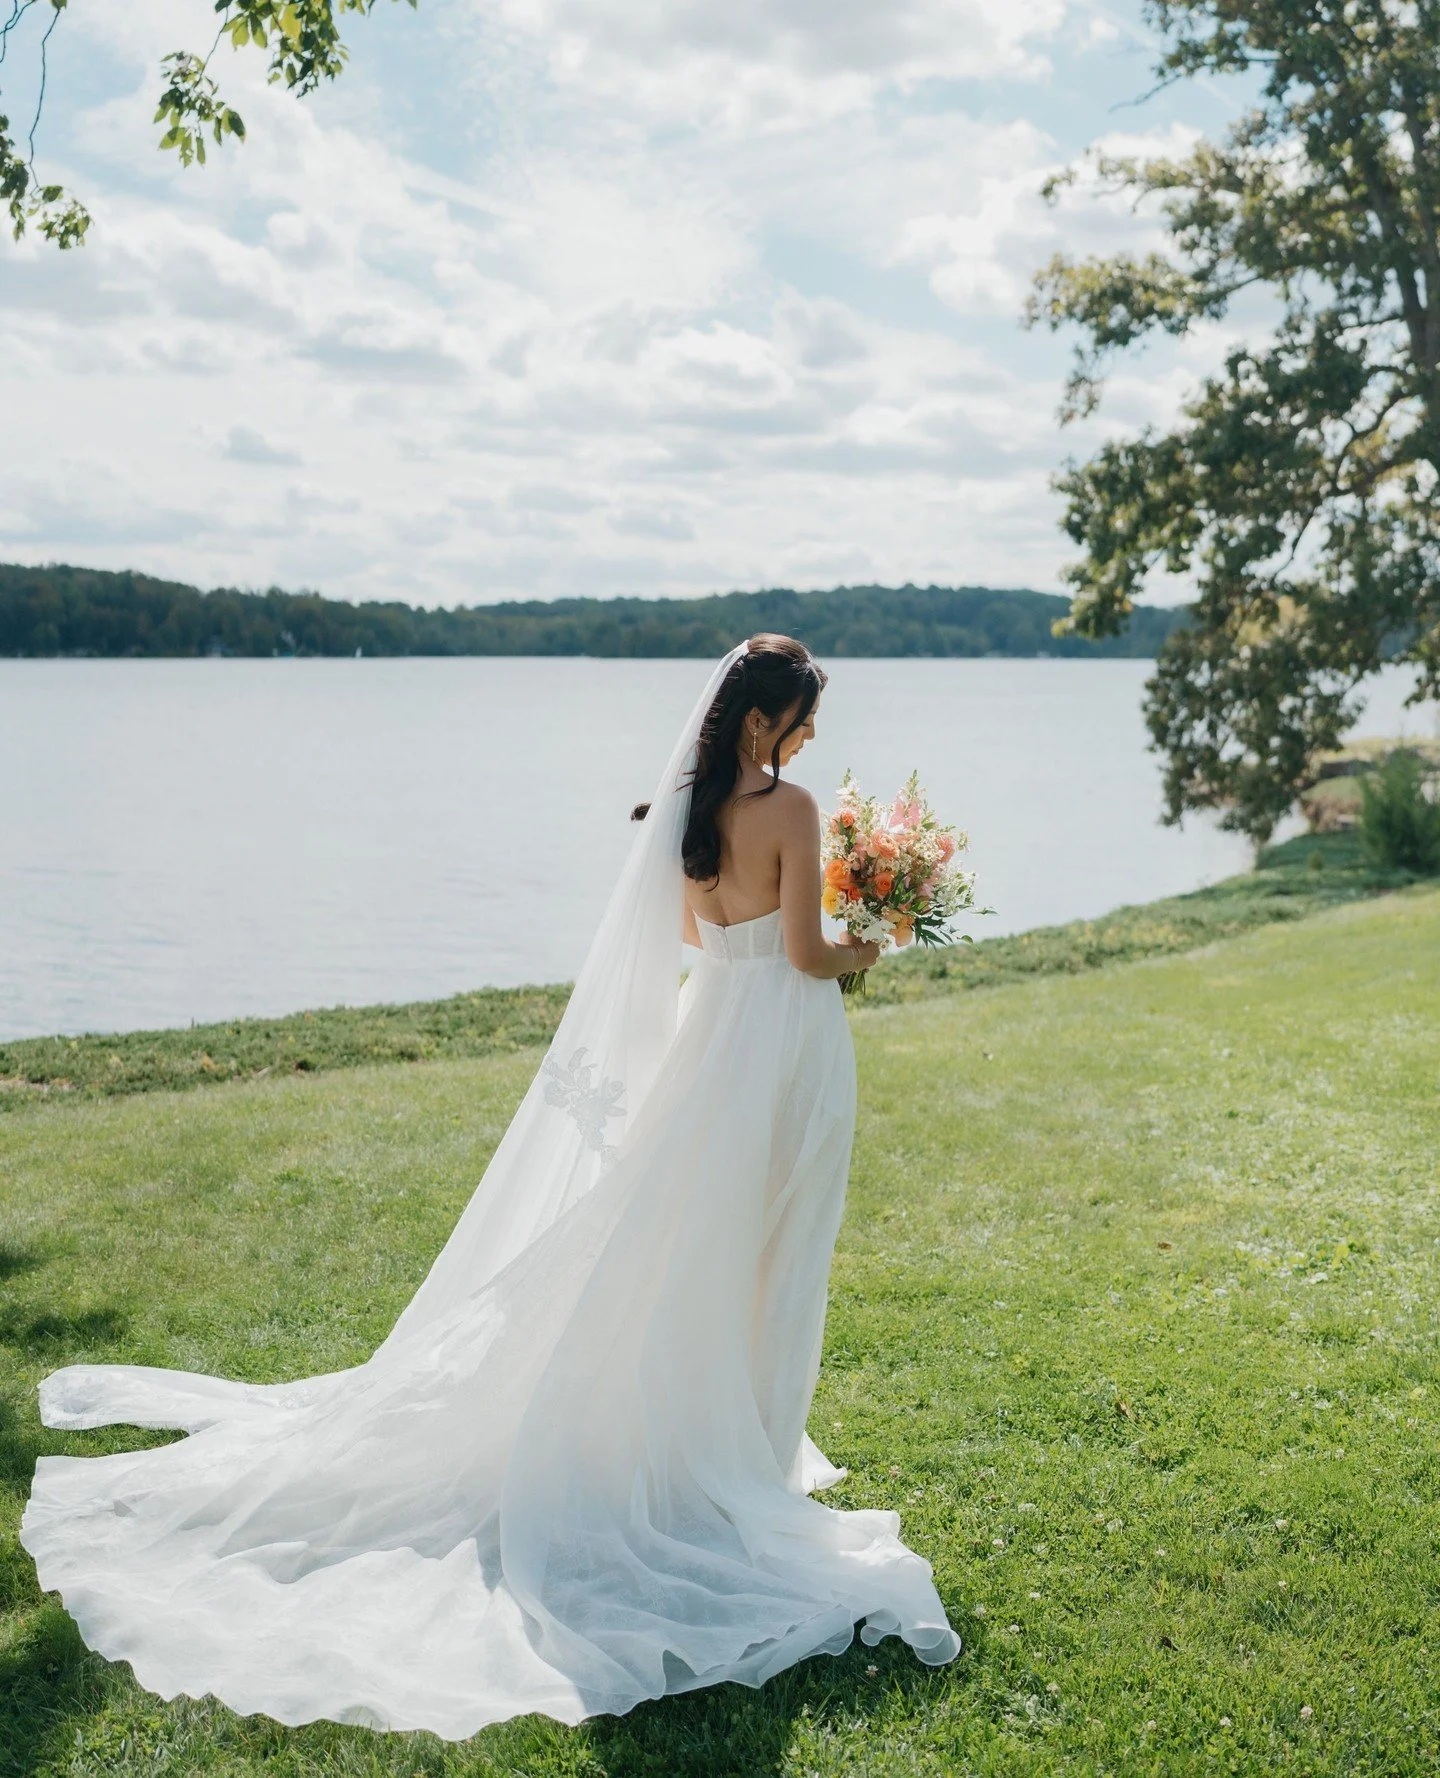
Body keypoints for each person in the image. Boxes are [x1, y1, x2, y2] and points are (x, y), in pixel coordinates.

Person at [23, 635, 960, 1740]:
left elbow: (683, 932)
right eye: (801, 720)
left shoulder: (681, 810)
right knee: (771, 1245)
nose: (808, 739)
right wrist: (877, 943)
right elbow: (804, 954)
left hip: (712, 1043)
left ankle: (717, 1438)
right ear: (762, 723)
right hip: (778, 1048)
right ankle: (742, 1451)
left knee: (684, 1245)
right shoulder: (793, 811)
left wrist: (765, 935)